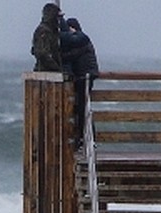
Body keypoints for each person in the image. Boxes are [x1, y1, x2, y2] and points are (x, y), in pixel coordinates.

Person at [62, 17, 99, 149]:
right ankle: (84, 138)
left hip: (85, 76)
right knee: (82, 108)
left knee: (83, 108)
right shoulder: (81, 40)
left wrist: (59, 56)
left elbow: (73, 55)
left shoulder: (81, 40)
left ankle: (87, 139)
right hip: (85, 76)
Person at [31, 3, 63, 72]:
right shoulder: (44, 31)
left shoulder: (53, 31)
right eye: (57, 17)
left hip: (50, 71)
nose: (59, 20)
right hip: (44, 71)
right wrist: (56, 68)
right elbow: (42, 54)